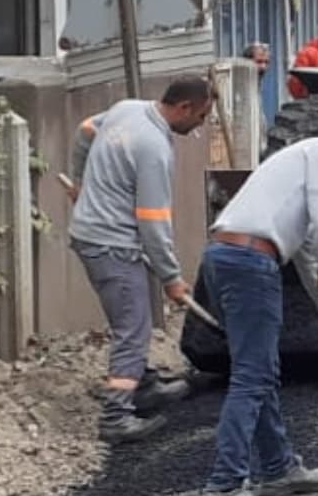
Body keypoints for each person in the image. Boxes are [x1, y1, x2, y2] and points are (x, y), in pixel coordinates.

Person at [196, 108, 318, 496]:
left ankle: (277, 469)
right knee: (253, 377)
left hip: (223, 257)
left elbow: (307, 253)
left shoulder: (298, 159)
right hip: (248, 261)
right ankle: (224, 489)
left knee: (258, 370)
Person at [68, 74, 215, 442]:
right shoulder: (155, 149)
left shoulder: (126, 109)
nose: (200, 125)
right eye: (201, 116)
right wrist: (172, 277)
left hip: (96, 235)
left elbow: (85, 130)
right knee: (133, 328)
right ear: (184, 107)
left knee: (133, 315)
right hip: (111, 244)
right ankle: (117, 415)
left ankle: (144, 383)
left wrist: (80, 182)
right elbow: (153, 223)